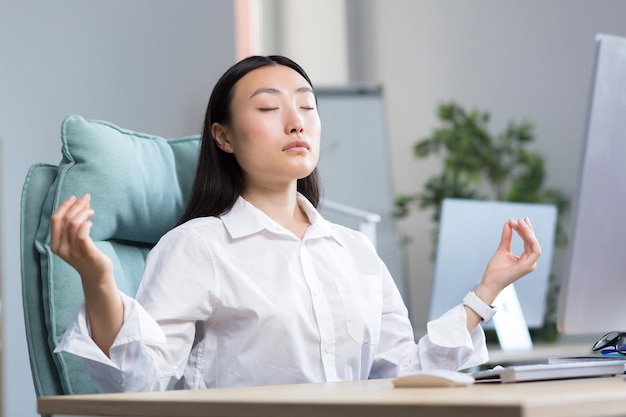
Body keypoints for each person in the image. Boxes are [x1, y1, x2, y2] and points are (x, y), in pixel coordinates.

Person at [52, 55, 541, 393]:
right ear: (223, 136)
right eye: (268, 108)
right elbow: (140, 386)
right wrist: (98, 282)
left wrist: (486, 292)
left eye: (307, 106)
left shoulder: (354, 252)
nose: (296, 121)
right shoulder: (198, 246)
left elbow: (406, 376)